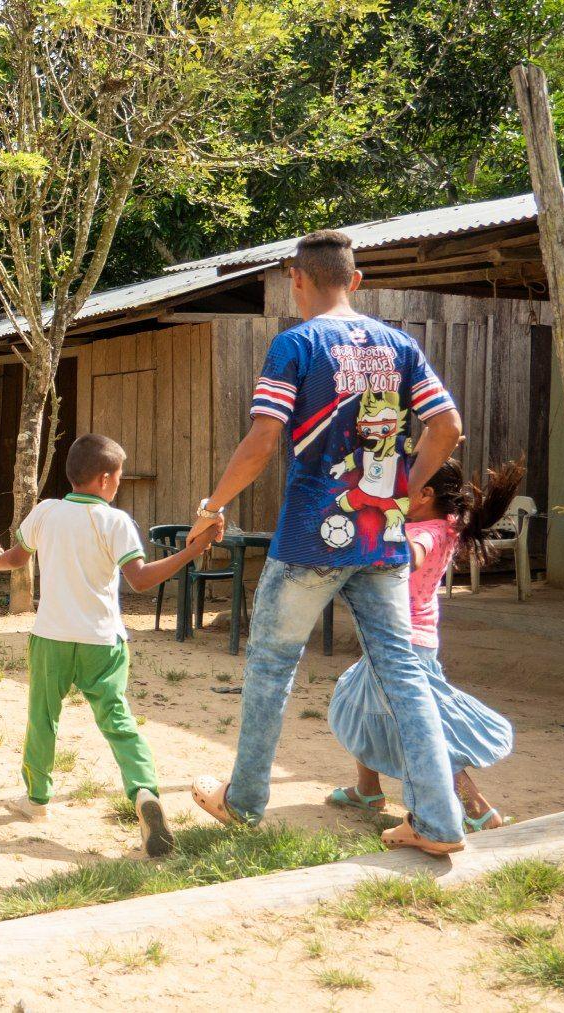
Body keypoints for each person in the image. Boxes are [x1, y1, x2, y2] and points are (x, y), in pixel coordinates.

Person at [185, 229, 467, 856]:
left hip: (312, 540)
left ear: (297, 279)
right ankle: (439, 822)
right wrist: (401, 487)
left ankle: (245, 800)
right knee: (405, 674)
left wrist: (212, 506)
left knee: (270, 666)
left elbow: (263, 441)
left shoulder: (296, 345)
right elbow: (447, 426)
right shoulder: (401, 346)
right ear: (356, 281)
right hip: (382, 538)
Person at [0, 434, 221, 857]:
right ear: (106, 479)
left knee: (42, 719)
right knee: (117, 720)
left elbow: (18, 557)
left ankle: (36, 799)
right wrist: (193, 551)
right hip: (102, 641)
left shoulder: (46, 512)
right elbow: (141, 579)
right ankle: (145, 793)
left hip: (51, 636)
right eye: (120, 477)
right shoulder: (115, 521)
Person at [327, 460, 521, 833]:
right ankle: (368, 791)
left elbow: (415, 553)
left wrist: (378, 543)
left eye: (403, 484)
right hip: (412, 642)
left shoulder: (426, 532)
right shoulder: (448, 523)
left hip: (403, 647)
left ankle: (479, 810)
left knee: (421, 731)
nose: (393, 491)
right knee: (356, 699)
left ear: (425, 494)